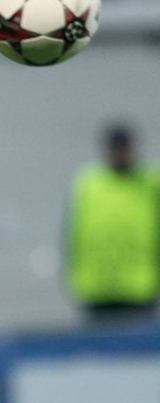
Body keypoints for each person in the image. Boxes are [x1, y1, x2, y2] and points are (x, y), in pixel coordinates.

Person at [66, 123, 160, 321]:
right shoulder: (89, 184)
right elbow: (72, 235)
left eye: (123, 148)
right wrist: (73, 277)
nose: (120, 154)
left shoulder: (150, 182)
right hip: (96, 288)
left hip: (139, 287)